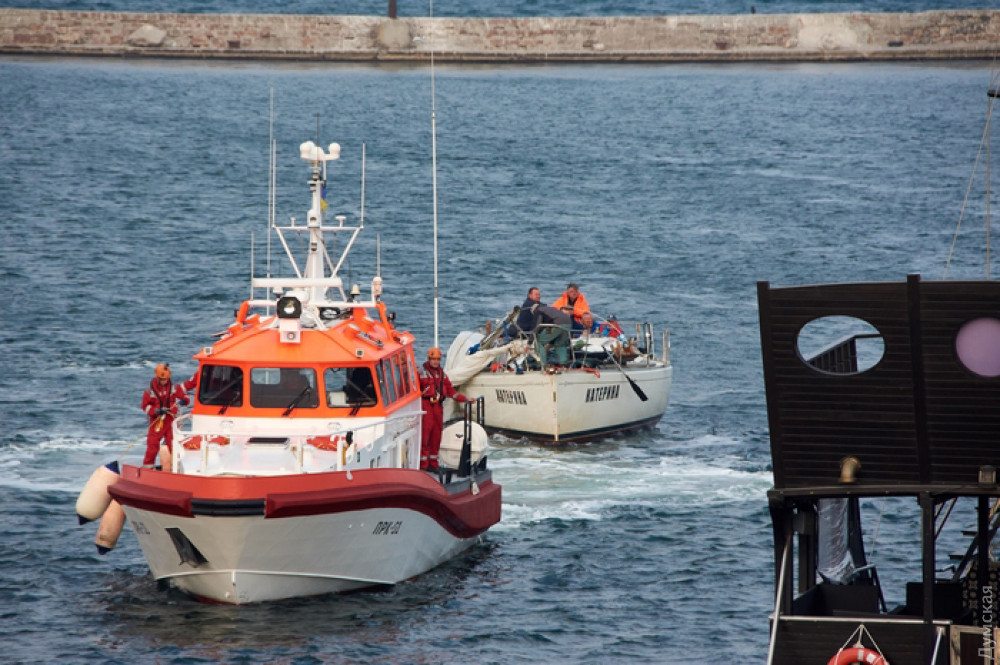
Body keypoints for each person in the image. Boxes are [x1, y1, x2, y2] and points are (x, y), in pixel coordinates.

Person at [419, 348, 471, 470]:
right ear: (428, 359)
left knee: (437, 436)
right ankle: (423, 464)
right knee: (425, 436)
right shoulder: (420, 373)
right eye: (433, 359)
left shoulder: (442, 374)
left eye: (438, 359)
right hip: (425, 406)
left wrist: (466, 399)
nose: (436, 362)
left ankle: (433, 463)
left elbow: (451, 391)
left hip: (438, 407)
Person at [141, 363, 191, 467]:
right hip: (157, 421)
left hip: (170, 420)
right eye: (162, 379)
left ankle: (179, 468)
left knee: (174, 444)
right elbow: (145, 406)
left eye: (166, 379)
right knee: (152, 445)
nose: (165, 381)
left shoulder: (174, 387)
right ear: (157, 377)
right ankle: (148, 467)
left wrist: (184, 400)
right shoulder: (149, 391)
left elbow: (186, 396)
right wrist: (156, 411)